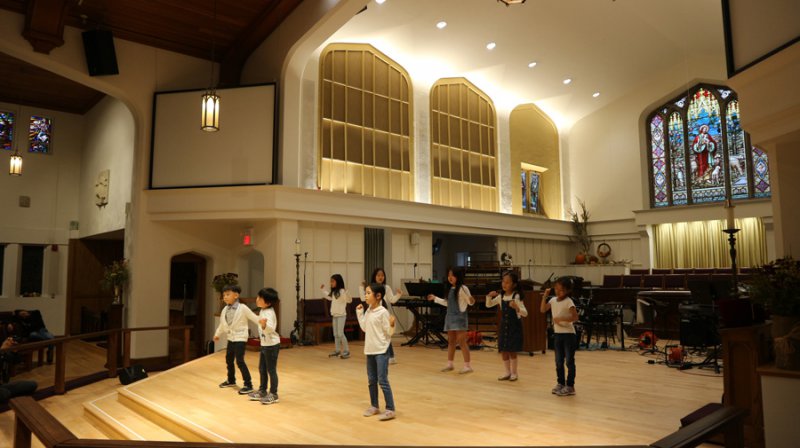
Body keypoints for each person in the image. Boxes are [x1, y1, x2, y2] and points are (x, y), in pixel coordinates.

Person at [357, 283, 396, 421]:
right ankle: (374, 406)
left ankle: (390, 409)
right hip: (370, 350)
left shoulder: (383, 312)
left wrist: (392, 324)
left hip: (381, 351)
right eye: (365, 293)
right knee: (371, 380)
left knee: (382, 380)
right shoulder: (368, 311)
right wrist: (360, 313)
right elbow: (364, 327)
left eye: (368, 293)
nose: (366, 295)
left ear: (378, 296)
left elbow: (389, 332)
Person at [427, 267, 476, 374]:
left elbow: (470, 302)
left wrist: (472, 300)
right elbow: (447, 303)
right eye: (449, 275)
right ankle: (450, 364)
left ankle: (467, 366)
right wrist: (435, 298)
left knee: (462, 342)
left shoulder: (463, 288)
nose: (450, 277)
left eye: (452, 275)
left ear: (458, 276)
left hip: (460, 318)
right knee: (451, 341)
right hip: (450, 317)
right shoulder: (450, 288)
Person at [213, 285, 260, 395]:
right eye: (224, 295)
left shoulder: (243, 308)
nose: (225, 297)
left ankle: (248, 384)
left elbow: (254, 317)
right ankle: (231, 380)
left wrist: (263, 323)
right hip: (231, 338)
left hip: (240, 338)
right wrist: (217, 334)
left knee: (239, 361)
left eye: (228, 294)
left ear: (236, 295)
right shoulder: (225, 309)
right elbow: (222, 324)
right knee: (229, 359)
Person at [540, 277, 579, 396]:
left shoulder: (568, 301)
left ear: (567, 290)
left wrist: (561, 318)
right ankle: (560, 383)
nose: (558, 291)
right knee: (558, 361)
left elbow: (575, 317)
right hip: (557, 334)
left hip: (569, 335)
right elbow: (542, 310)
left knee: (569, 361)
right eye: (556, 289)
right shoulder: (553, 300)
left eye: (561, 290)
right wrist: (545, 296)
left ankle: (570, 386)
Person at [485, 270, 528, 381]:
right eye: (503, 281)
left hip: (514, 327)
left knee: (512, 351)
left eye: (507, 282)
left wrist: (517, 308)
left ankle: (514, 373)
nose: (504, 284)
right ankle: (507, 372)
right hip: (504, 326)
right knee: (503, 350)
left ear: (514, 284)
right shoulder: (501, 296)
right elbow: (488, 305)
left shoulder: (516, 296)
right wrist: (489, 296)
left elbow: (525, 313)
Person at [360, 268, 404, 364]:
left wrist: (399, 295)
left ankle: (391, 356)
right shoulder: (371, 287)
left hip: (383, 314)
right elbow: (363, 299)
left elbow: (392, 300)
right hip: (373, 314)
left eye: (382, 275)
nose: (380, 277)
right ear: (374, 276)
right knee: (379, 336)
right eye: (378, 275)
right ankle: (378, 355)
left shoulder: (386, 287)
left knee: (386, 335)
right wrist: (361, 287)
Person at [247, 288, 281, 405]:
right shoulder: (263, 310)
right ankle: (262, 390)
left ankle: (274, 394)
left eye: (260, 298)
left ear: (268, 302)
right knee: (262, 368)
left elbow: (271, 328)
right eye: (258, 297)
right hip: (265, 344)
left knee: (271, 370)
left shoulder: (269, 313)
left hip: (271, 345)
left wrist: (264, 325)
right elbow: (258, 320)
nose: (257, 299)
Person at [321, 274, 352, 359]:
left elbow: (349, 300)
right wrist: (323, 290)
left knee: (340, 334)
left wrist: (347, 293)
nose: (331, 283)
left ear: (338, 282)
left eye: (333, 281)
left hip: (341, 315)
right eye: (330, 281)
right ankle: (337, 351)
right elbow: (329, 297)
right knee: (336, 334)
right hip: (335, 315)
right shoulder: (334, 292)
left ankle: (346, 351)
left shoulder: (342, 291)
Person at [0, 337, 38, 404]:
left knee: (32, 385)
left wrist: (14, 351)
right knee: (5, 393)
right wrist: (1, 352)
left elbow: (17, 361)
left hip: (2, 385)